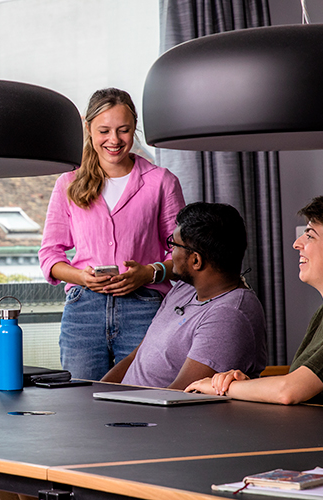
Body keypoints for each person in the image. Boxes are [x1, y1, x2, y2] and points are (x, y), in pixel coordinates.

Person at [186, 194, 323, 409]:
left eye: (310, 236)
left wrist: (216, 387)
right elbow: (300, 390)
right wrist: (247, 385)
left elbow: (288, 391)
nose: (297, 244)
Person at [39, 87, 186, 380]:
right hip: (83, 311)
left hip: (145, 308)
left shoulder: (161, 182)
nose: (115, 140)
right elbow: (50, 255)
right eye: (104, 130)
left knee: (143, 402)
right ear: (89, 129)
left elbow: (183, 255)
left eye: (124, 130)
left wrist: (148, 273)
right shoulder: (68, 183)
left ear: (134, 129)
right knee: (81, 407)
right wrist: (81, 276)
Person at [101, 202, 267, 389]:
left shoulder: (229, 315)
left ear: (196, 260)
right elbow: (135, 358)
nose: (170, 252)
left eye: (173, 244)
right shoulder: (184, 289)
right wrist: (97, 393)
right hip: (123, 408)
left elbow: (179, 396)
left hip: (151, 415)